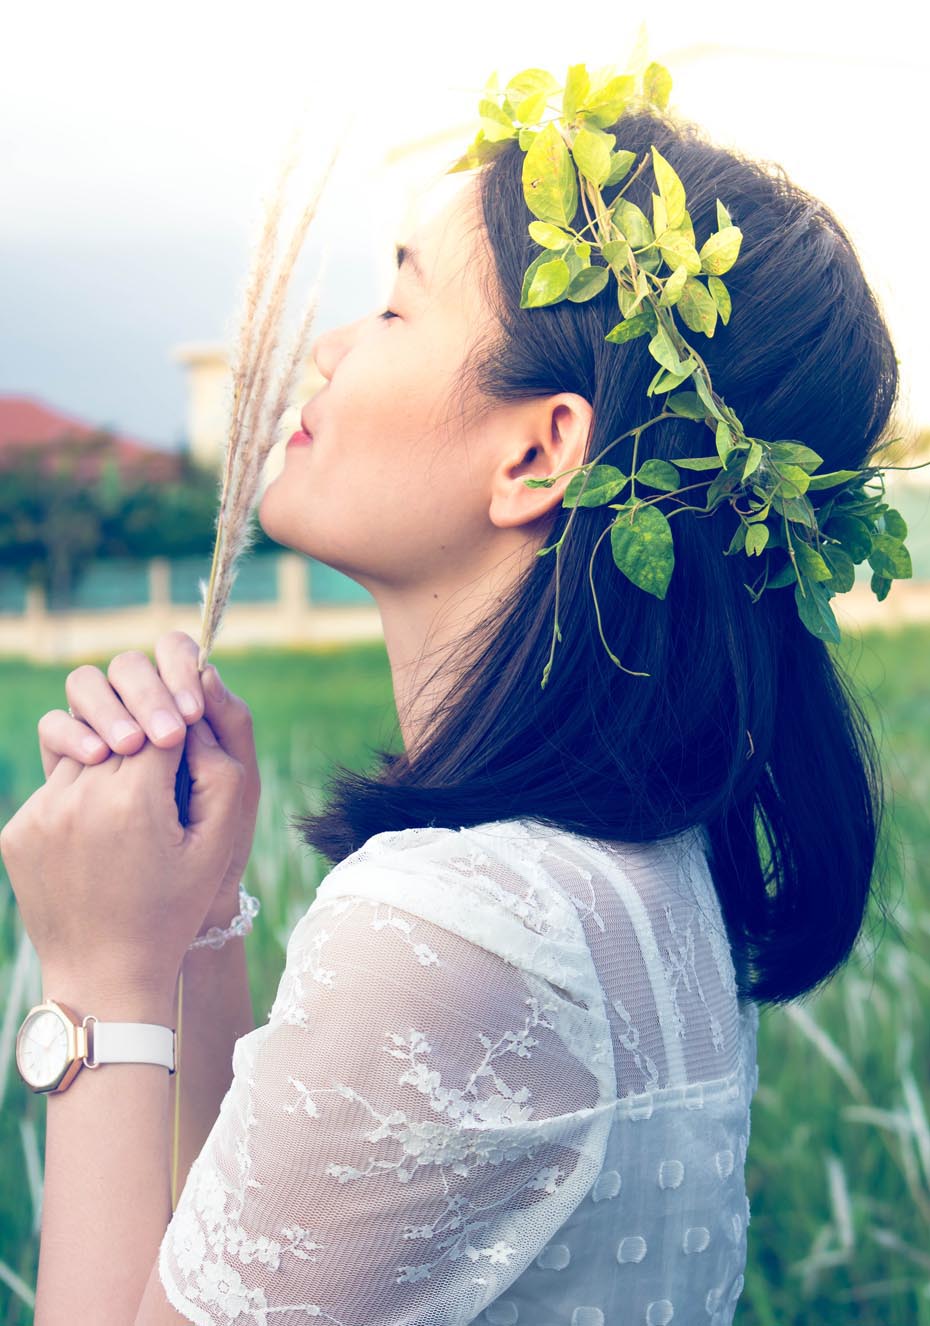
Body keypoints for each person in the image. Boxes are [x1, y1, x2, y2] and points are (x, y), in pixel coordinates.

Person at [33, 102, 897, 1325]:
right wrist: (194, 925)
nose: (330, 348)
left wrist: (95, 984)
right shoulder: (642, 882)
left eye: (396, 308)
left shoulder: (463, 928)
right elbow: (230, 1267)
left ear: (540, 455)